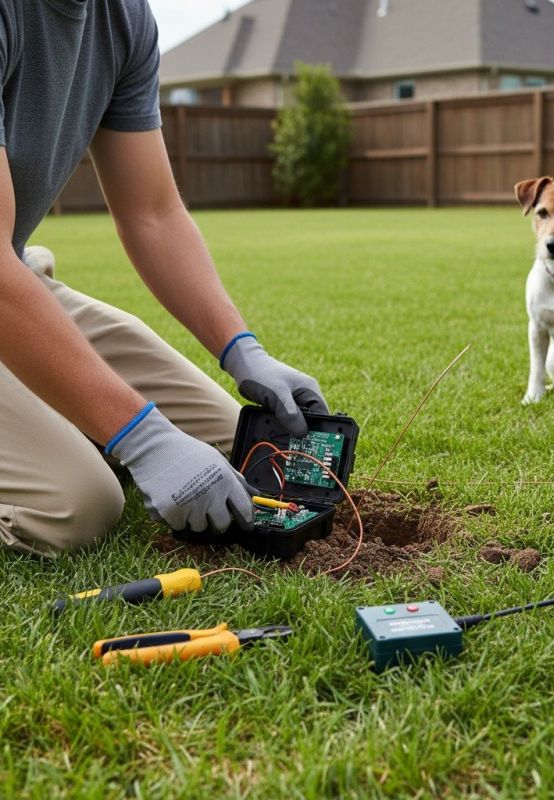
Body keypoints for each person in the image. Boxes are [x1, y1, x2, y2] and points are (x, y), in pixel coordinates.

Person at [0, 0, 327, 557]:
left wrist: (244, 351)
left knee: (235, 443)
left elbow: (153, 213)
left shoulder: (122, 16)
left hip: (19, 279)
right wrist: (144, 438)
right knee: (77, 505)